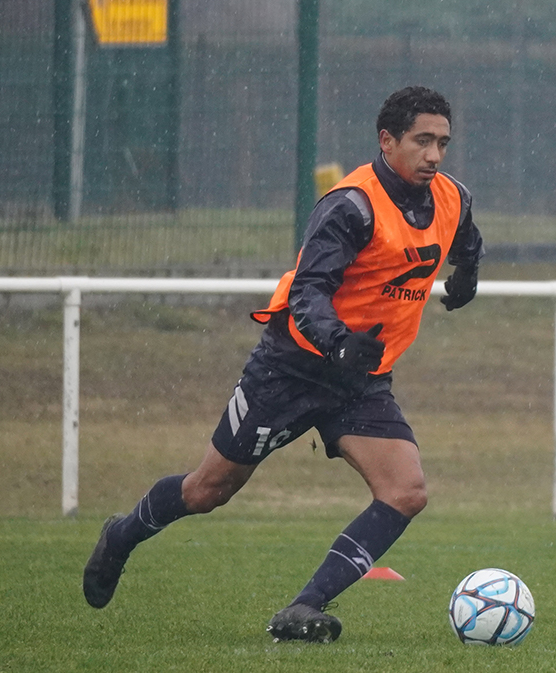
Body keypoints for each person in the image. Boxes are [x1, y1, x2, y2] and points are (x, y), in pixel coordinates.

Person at [83, 86, 483, 643]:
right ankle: (122, 535)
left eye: (442, 142)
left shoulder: (452, 197)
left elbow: (465, 238)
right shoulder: (351, 206)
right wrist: (339, 340)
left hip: (361, 380)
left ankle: (303, 608)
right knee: (207, 491)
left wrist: (467, 276)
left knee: (405, 491)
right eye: (422, 141)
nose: (435, 155)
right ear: (387, 141)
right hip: (291, 369)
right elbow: (309, 292)